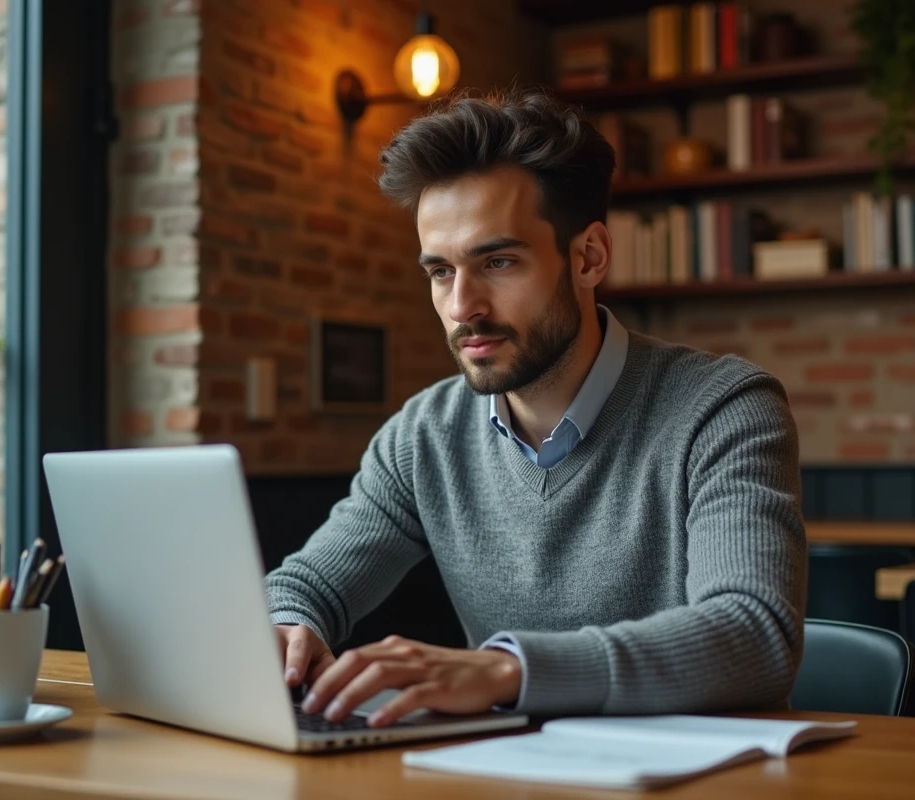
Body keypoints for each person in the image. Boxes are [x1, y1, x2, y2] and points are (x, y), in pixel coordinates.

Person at [264, 88, 806, 730]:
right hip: (507, 776)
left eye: (497, 261)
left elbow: (754, 636)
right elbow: (308, 585)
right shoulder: (423, 435)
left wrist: (506, 671)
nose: (463, 305)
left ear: (589, 257)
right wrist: (287, 627)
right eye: (440, 272)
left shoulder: (725, 409)